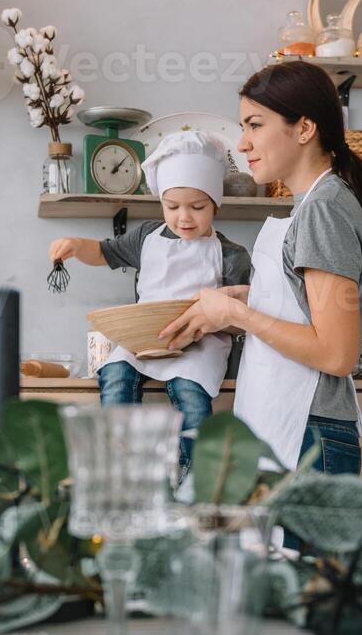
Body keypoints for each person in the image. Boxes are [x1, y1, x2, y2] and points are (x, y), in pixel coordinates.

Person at [159, 62, 362, 474]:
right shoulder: (313, 204)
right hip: (293, 429)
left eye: (255, 125)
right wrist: (243, 298)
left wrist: (236, 313)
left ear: (304, 129)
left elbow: (337, 353)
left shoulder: (323, 210)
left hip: (309, 434)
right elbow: (306, 304)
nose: (242, 142)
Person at [48, 130, 251, 469]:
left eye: (197, 207)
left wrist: (216, 322)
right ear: (161, 203)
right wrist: (76, 245)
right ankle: (121, 465)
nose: (184, 217)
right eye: (172, 207)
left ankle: (194, 479)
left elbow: (238, 317)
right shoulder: (146, 237)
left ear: (215, 203)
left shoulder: (231, 255)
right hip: (144, 338)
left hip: (199, 347)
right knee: (113, 373)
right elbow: (104, 251)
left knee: (190, 396)